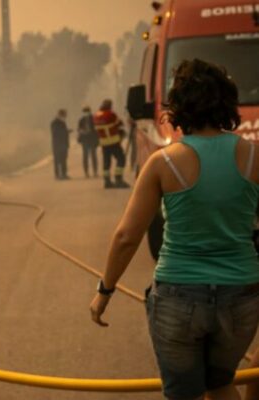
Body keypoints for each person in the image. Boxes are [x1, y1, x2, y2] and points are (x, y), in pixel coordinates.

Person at [89, 59, 259, 400]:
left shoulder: (162, 163)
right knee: (222, 383)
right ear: (227, 101)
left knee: (185, 393)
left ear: (177, 106)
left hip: (179, 298)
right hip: (241, 294)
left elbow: (126, 237)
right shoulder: (254, 156)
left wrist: (104, 291)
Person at [94, 99, 130, 189]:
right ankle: (118, 180)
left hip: (103, 142)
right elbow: (119, 124)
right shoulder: (111, 114)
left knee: (106, 162)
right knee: (121, 159)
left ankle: (107, 182)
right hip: (113, 141)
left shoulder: (96, 115)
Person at [77, 106, 99, 178]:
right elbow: (79, 129)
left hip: (92, 139)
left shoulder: (94, 119)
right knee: (85, 156)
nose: (86, 113)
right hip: (85, 140)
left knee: (93, 156)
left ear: (90, 112)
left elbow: (97, 129)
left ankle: (95, 171)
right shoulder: (81, 120)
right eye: (85, 112)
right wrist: (82, 131)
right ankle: (86, 172)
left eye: (87, 111)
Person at [50, 109, 71, 180]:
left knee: (64, 160)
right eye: (64, 115)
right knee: (57, 160)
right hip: (57, 145)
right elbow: (56, 133)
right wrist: (66, 132)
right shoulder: (54, 123)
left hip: (64, 144)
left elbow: (63, 132)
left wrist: (67, 131)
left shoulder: (63, 122)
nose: (65, 117)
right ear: (60, 115)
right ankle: (57, 175)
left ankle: (64, 174)